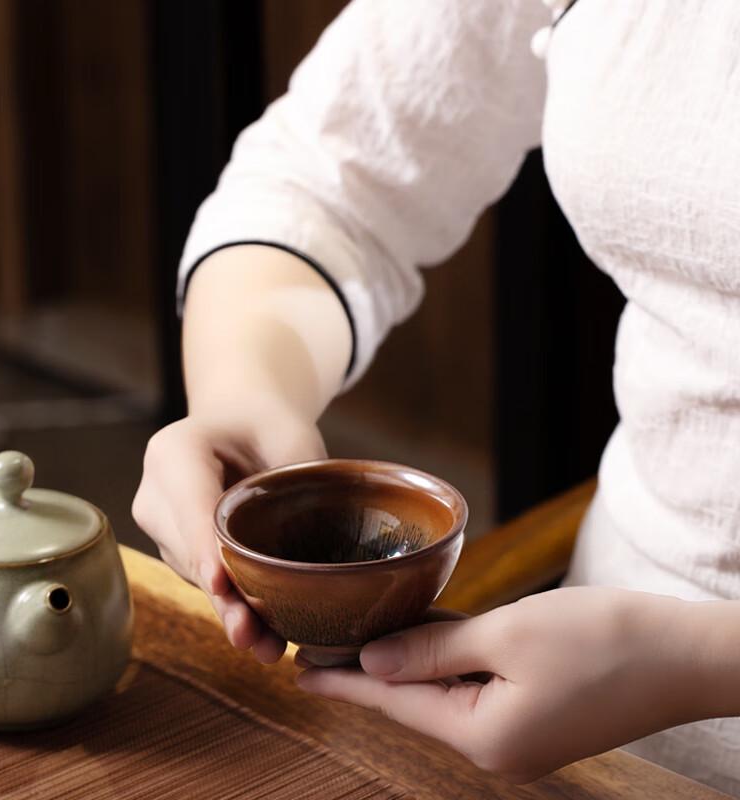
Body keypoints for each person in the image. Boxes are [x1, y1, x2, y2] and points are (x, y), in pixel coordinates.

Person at [132, 0, 740, 793]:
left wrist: (707, 663)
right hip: (584, 727)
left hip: (610, 679)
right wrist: (244, 392)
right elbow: (329, 179)